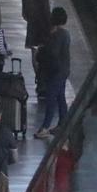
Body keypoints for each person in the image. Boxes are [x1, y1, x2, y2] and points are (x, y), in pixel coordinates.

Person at [33, 7, 70, 139]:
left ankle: (45, 127)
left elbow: (52, 52)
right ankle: (63, 124)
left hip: (55, 71)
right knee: (60, 97)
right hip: (64, 70)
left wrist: (41, 51)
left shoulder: (56, 34)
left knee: (51, 98)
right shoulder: (66, 34)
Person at [22, 0, 52, 89]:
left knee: (34, 55)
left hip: (32, 28)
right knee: (43, 55)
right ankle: (43, 79)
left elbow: (24, 15)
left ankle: (38, 77)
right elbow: (46, 11)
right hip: (43, 28)